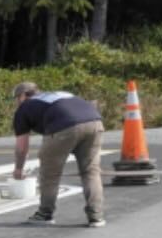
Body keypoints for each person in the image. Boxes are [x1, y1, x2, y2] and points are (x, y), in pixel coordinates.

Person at [10, 82, 106, 226]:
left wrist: (19, 168)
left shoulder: (25, 107)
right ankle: (96, 216)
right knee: (90, 172)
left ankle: (45, 214)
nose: (17, 102)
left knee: (50, 174)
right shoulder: (58, 94)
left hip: (64, 127)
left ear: (23, 96)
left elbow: (22, 147)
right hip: (95, 122)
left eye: (17, 98)